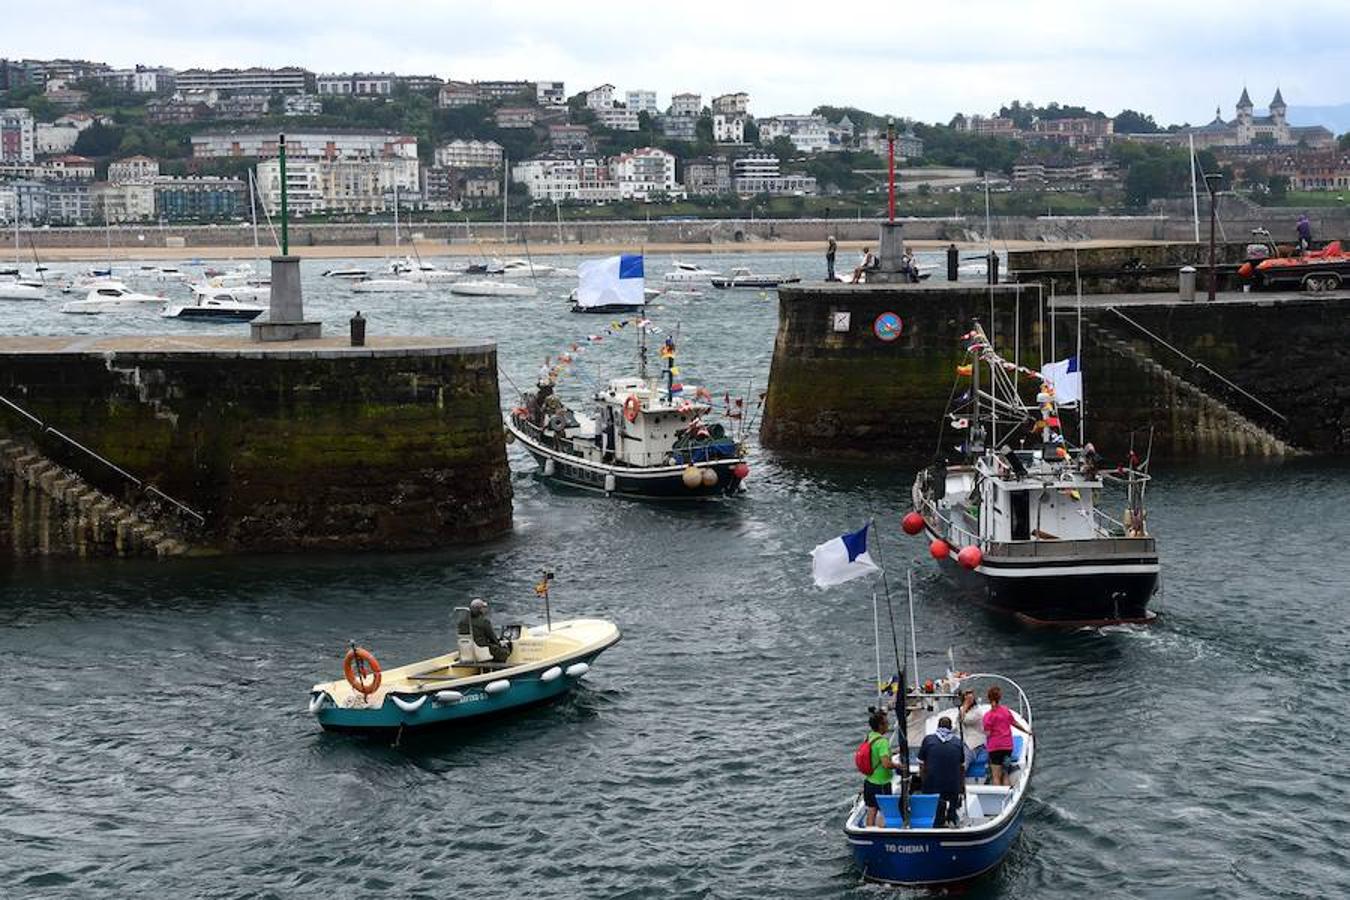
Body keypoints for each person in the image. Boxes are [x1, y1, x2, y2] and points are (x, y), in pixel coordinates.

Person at [918, 716, 966, 828]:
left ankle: (938, 819)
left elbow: (921, 765)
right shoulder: (958, 743)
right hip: (952, 786)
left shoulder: (928, 740)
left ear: (938, 727)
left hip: (932, 785)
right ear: (951, 728)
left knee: (930, 788)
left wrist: (923, 781)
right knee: (952, 793)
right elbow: (961, 768)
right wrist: (961, 786)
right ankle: (951, 817)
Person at [982, 685, 1032, 786]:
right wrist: (1027, 731)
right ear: (1000, 698)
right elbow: (1014, 723)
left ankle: (998, 799)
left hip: (994, 748)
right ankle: (1008, 794)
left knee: (996, 776)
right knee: (1005, 773)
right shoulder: (1005, 710)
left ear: (989, 698)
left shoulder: (988, 716)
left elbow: (988, 733)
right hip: (1007, 747)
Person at [861, 707, 902, 827]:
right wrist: (898, 766)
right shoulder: (883, 742)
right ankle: (882, 832)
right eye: (886, 723)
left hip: (869, 781)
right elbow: (885, 763)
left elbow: (876, 755)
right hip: (882, 783)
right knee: (885, 810)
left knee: (871, 809)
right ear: (880, 726)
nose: (888, 725)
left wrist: (892, 752)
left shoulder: (870, 737)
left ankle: (869, 831)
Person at [468, 598, 511, 663]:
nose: (485, 609)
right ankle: (497, 668)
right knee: (506, 650)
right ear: (480, 610)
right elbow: (493, 638)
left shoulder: (463, 622)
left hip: (468, 649)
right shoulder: (485, 621)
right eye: (483, 608)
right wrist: (501, 643)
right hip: (482, 648)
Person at [957, 689, 987, 770]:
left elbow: (963, 720)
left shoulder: (977, 712)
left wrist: (965, 705)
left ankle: (959, 777)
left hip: (973, 743)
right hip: (963, 741)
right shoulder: (962, 710)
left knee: (964, 763)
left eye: (970, 699)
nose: (968, 700)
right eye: (966, 698)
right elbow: (957, 725)